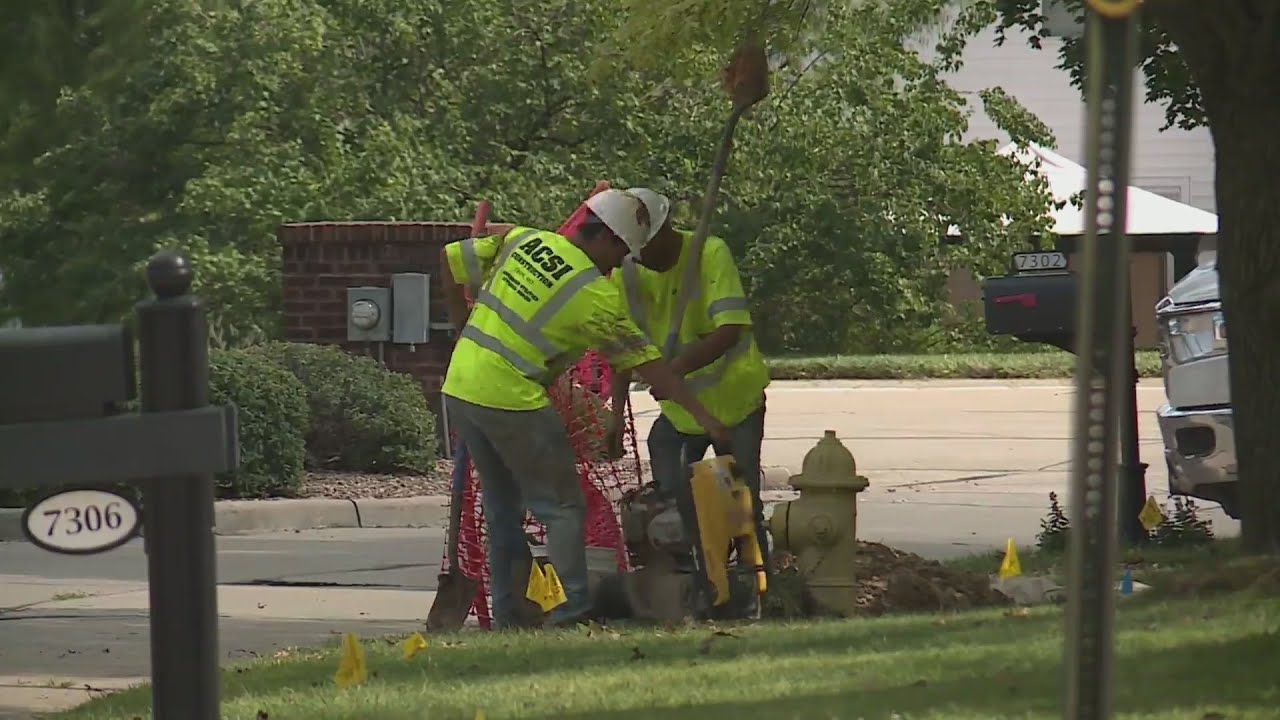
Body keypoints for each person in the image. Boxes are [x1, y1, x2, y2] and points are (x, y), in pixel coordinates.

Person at [439, 188, 730, 629]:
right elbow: (653, 369)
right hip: (512, 399)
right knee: (563, 508)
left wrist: (460, 323)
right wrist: (707, 418)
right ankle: (571, 611)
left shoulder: (523, 240)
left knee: (502, 510)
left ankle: (509, 615)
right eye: (620, 255)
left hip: (460, 388)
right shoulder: (594, 296)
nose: (617, 266)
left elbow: (449, 259)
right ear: (609, 239)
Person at [606, 187, 772, 581]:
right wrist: (615, 415)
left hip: (735, 403)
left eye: (648, 248)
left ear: (666, 231)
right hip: (680, 412)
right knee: (676, 489)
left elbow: (730, 329)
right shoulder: (628, 274)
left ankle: (758, 580)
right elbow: (622, 348)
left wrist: (673, 371)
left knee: (740, 499)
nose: (644, 258)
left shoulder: (709, 253)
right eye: (636, 250)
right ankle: (701, 573)